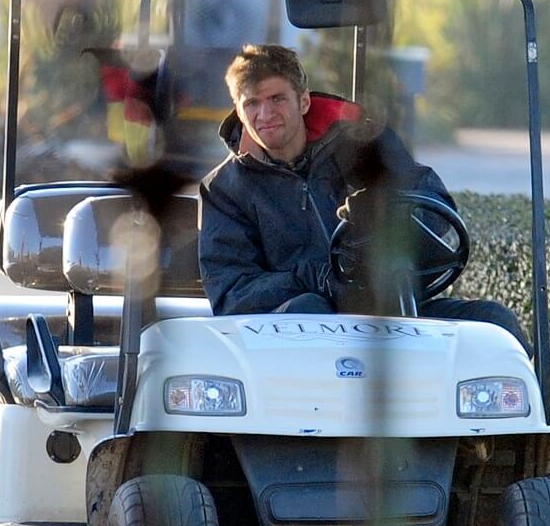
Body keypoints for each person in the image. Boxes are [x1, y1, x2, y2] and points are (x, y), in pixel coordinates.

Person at [197, 44, 531, 355]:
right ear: (239, 112)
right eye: (252, 103)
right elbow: (232, 296)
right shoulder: (225, 189)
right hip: (295, 333)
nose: (265, 113)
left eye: (277, 98)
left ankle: (524, 416)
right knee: (309, 312)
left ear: (303, 101)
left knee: (496, 322)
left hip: (395, 313)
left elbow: (435, 207)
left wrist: (388, 210)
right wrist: (311, 277)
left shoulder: (364, 144)